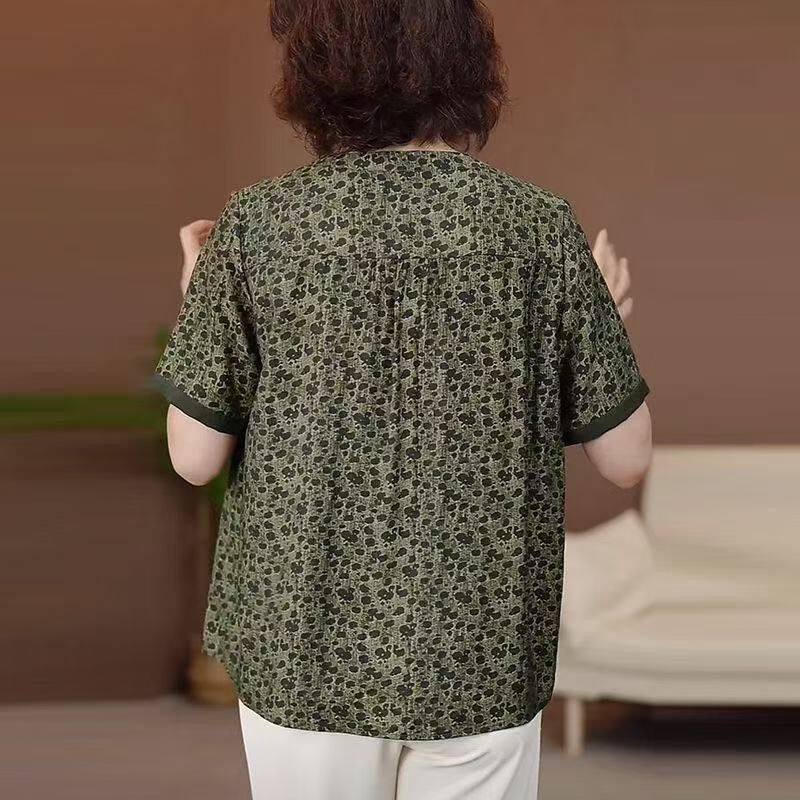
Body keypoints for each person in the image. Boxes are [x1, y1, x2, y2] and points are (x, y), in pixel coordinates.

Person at [151, 1, 652, 797]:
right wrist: (586, 328)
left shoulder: (257, 226)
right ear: (466, 64)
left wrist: (200, 303)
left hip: (303, 644)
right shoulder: (537, 227)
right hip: (480, 646)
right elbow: (626, 459)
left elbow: (193, 456)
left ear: (315, 70)